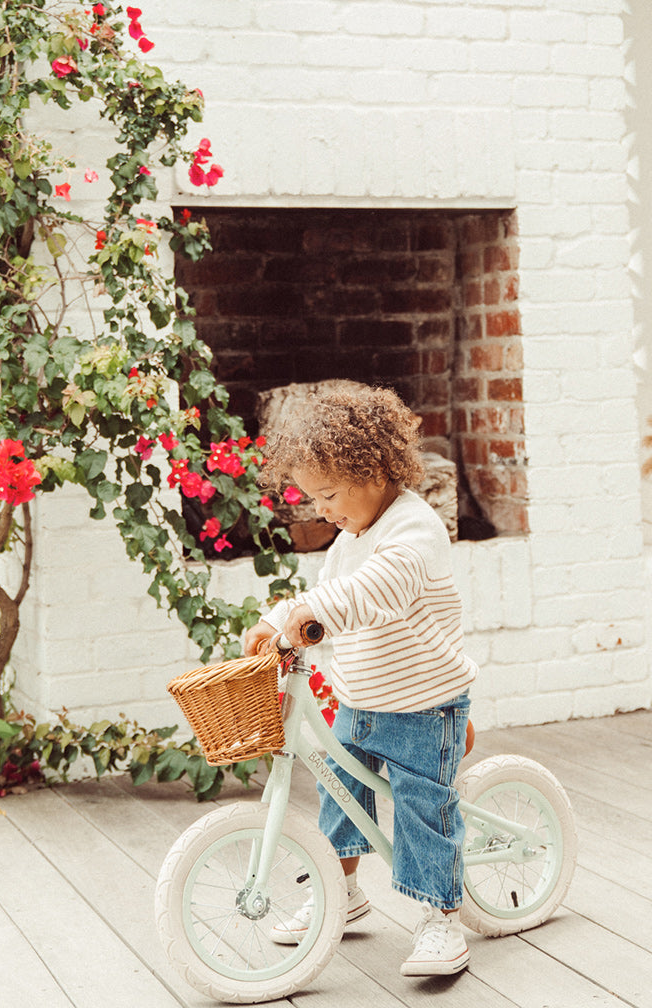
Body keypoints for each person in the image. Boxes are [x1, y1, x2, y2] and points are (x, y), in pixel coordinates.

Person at [243, 383, 477, 978]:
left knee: (424, 807)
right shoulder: (349, 540)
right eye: (313, 498)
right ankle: (342, 894)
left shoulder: (413, 528)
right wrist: (275, 620)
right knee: (339, 791)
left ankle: (438, 917)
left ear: (372, 468)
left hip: (423, 703)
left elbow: (377, 591)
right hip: (362, 699)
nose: (322, 511)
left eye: (328, 494)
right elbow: (323, 591)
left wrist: (314, 618)